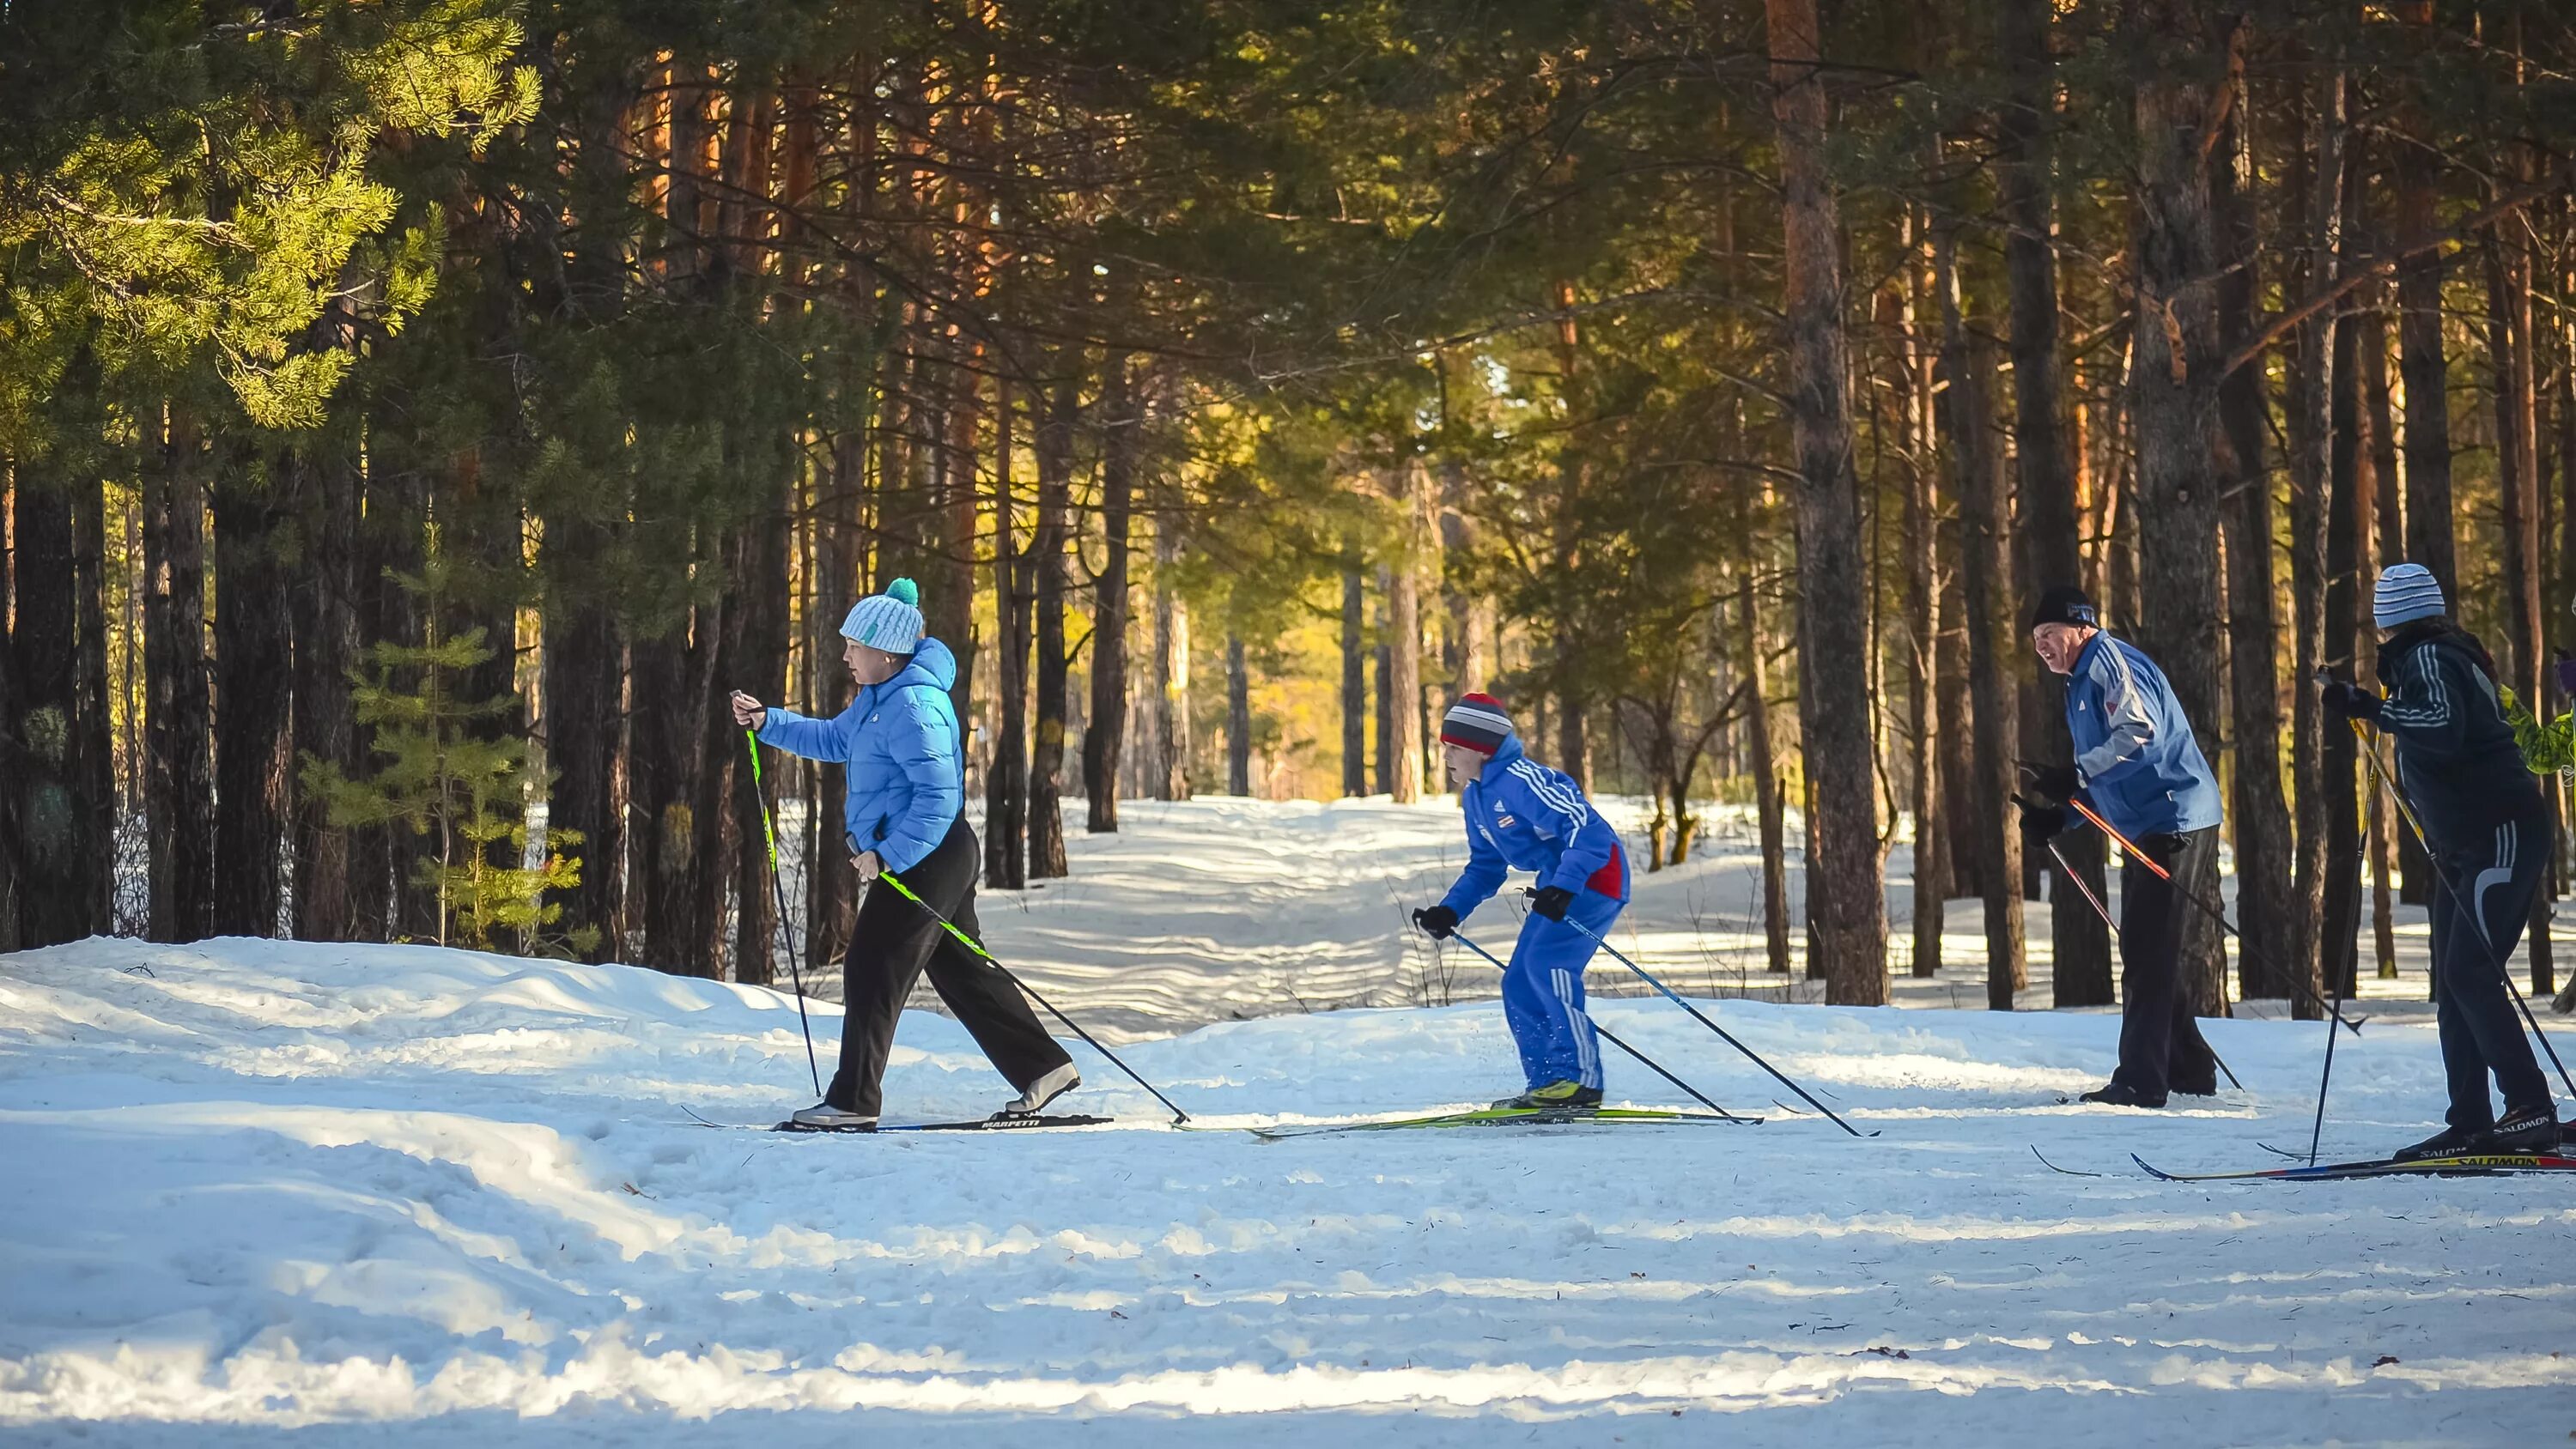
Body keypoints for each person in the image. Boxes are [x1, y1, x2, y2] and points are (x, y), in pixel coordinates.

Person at [729, 578, 1077, 1131]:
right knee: (961, 970)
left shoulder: (915, 705)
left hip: (929, 852)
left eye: (854, 646)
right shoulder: (876, 700)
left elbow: (940, 796)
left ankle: (853, 1101)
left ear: (885, 652)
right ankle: (1046, 1067)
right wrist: (769, 721)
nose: (845, 654)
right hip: (931, 851)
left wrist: (887, 855)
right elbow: (832, 741)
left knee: (872, 965)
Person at [2324, 563, 2560, 1158]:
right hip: (2467, 846)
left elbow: (2444, 728)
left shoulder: (2429, 656)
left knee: (2470, 974)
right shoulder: (2431, 658)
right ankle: (2472, 1119)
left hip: (2498, 835)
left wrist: (2368, 707)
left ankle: (2529, 1108)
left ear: (2389, 619)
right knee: (2454, 984)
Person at [2018, 585, 2225, 1109]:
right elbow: (2102, 777)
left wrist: (2075, 773)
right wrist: (2058, 818)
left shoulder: (2107, 662)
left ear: (2081, 626)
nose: (2041, 647)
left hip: (2174, 816)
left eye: (2049, 634)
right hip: (2143, 826)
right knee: (2143, 947)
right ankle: (2189, 1068)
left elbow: (2138, 733)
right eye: (2035, 639)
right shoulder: (2079, 682)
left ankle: (2140, 1080)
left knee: (2148, 951)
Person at [1410, 693, 1629, 1109]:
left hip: (1596, 878)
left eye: (1453, 747)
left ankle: (1580, 1081)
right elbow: (1487, 866)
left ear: (1480, 749)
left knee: (1547, 967)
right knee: (1518, 979)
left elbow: (1589, 829)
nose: (1446, 757)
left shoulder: (1520, 781)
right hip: (1558, 882)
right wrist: (1450, 910)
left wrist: (1565, 886)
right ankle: (1548, 1084)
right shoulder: (1475, 797)